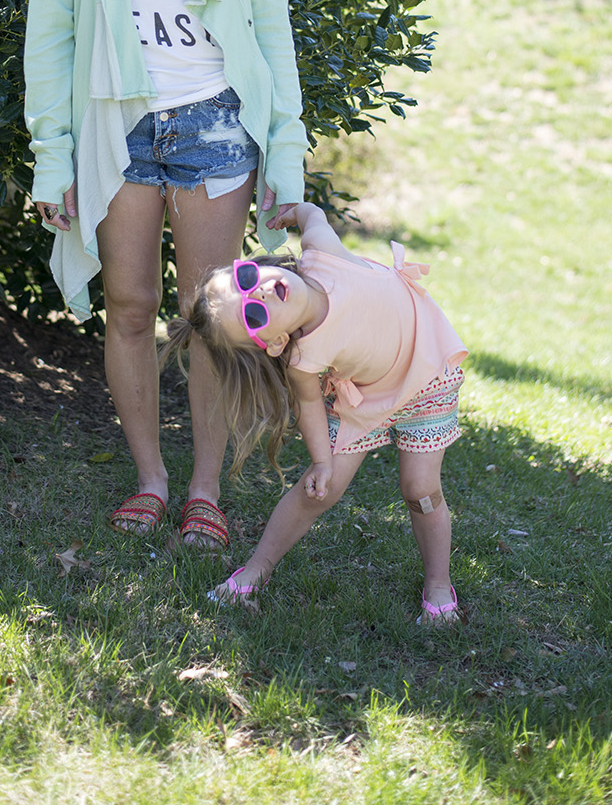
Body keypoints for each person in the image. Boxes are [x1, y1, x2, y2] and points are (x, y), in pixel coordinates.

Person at [23, 0, 306, 551]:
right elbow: (54, 31)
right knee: (129, 302)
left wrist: (287, 162)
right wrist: (51, 156)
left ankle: (205, 491)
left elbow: (269, 23)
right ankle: (149, 479)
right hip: (117, 123)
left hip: (217, 118)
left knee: (211, 315)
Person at [164, 202, 468, 621]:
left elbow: (314, 218)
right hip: (364, 400)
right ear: (272, 342)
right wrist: (322, 463)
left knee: (420, 489)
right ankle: (254, 572)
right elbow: (309, 404)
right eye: (254, 313)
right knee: (318, 489)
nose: (262, 293)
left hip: (428, 375)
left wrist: (297, 210)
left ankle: (437, 584)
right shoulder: (303, 358)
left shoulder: (323, 256)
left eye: (248, 279)